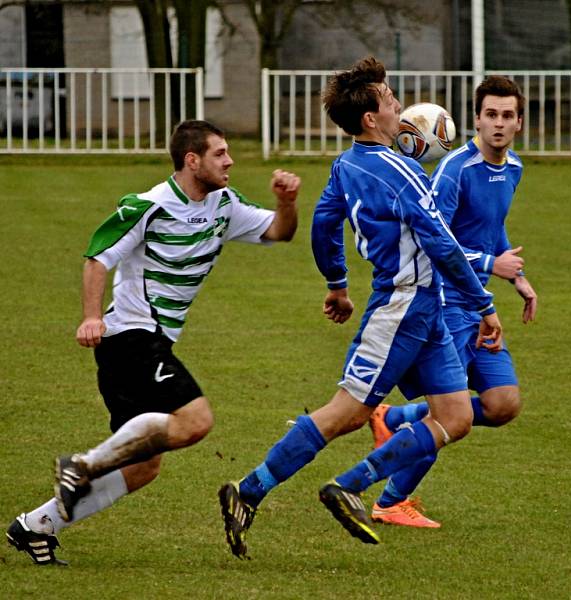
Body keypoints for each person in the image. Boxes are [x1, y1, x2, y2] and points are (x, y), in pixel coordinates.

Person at [218, 56, 502, 557]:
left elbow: (324, 222)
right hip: (401, 308)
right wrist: (484, 305)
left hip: (426, 310)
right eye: (391, 100)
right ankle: (248, 490)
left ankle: (350, 484)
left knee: (455, 417)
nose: (399, 107)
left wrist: (336, 284)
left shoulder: (346, 164)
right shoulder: (402, 171)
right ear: (371, 118)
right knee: (346, 413)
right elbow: (441, 243)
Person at [5, 120, 300, 565]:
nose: (230, 160)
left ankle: (36, 526)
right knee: (195, 420)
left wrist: (285, 202)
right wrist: (90, 316)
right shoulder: (148, 205)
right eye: (220, 153)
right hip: (131, 336)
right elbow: (97, 258)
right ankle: (82, 467)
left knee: (144, 467)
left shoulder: (224, 204)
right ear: (192, 160)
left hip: (153, 340)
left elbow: (280, 231)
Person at [366, 75, 537, 529]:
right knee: (451, 413)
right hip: (446, 303)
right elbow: (433, 242)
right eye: (490, 115)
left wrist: (515, 275)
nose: (498, 124)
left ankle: (397, 416)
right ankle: (390, 500)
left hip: (479, 302)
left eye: (507, 116)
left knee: (503, 404)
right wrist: (489, 266)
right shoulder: (454, 170)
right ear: (476, 120)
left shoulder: (514, 168)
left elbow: (492, 226)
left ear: (519, 122)